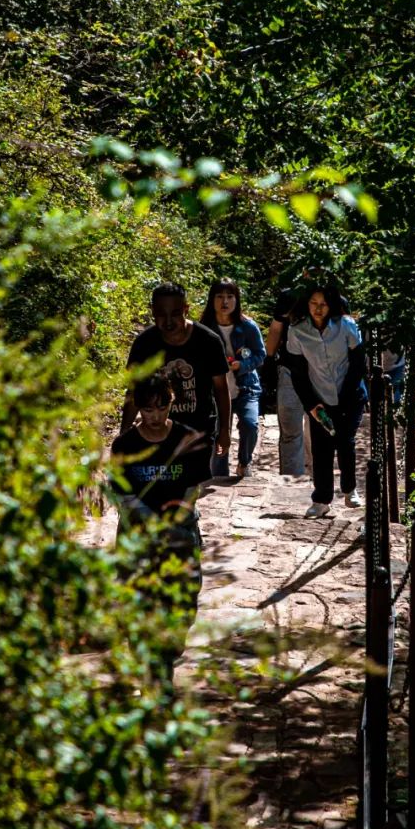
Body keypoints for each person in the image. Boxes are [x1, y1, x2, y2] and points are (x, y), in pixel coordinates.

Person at [110, 372, 211, 675]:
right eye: (148, 409)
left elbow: (195, 487)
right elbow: (122, 494)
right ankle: (148, 665)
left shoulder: (187, 439)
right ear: (138, 408)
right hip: (137, 534)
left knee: (183, 599)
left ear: (172, 402)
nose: (155, 416)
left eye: (162, 407)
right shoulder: (125, 445)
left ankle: (171, 645)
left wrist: (176, 518)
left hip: (180, 531)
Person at [121, 282, 231, 469]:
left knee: (189, 491)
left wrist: (224, 430)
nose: (169, 321)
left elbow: (221, 389)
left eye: (175, 314)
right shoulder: (144, 345)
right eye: (161, 315)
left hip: (198, 431)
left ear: (186, 310)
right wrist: (124, 433)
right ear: (153, 312)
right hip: (156, 431)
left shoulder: (208, 341)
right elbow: (133, 392)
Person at [286, 284, 368, 519]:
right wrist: (311, 404)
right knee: (321, 448)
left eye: (323, 304)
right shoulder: (297, 331)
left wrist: (345, 399)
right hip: (319, 397)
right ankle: (321, 499)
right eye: (314, 303)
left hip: (350, 394)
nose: (318, 309)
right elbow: (298, 372)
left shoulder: (346, 326)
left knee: (345, 440)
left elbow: (358, 364)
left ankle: (350, 489)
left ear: (331, 305)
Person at [199, 277, 266, 479]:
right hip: (216, 389)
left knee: (249, 424)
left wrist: (242, 365)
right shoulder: (204, 327)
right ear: (212, 300)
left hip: (245, 387)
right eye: (220, 297)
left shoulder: (248, 326)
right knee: (220, 430)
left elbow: (260, 354)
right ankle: (219, 475)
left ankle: (245, 462)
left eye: (230, 296)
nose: (225, 302)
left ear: (236, 300)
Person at [265, 285, 307, 477]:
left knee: (321, 431)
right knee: (290, 430)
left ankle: (319, 481)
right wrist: (269, 358)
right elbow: (276, 328)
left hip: (326, 373)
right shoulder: (289, 295)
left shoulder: (336, 298)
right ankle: (291, 480)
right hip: (290, 369)